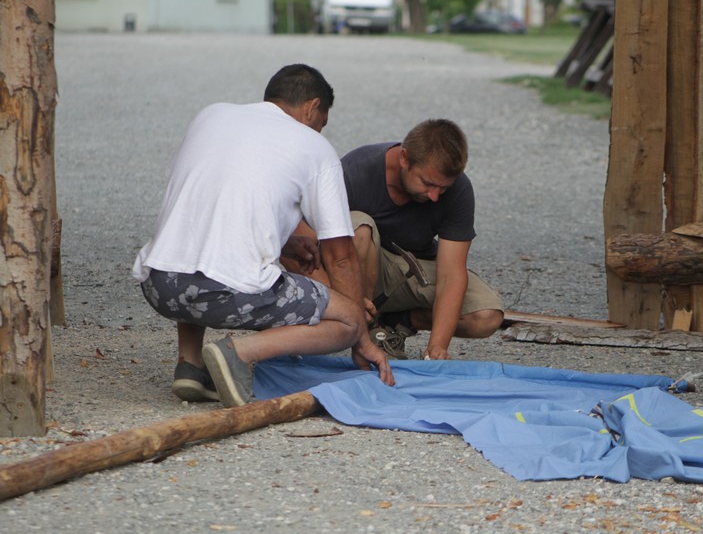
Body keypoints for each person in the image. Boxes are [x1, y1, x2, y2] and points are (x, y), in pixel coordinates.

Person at [132, 64, 394, 408]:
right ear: (312, 108)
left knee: (195, 244)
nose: (319, 131)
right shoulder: (314, 147)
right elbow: (340, 254)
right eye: (322, 123)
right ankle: (238, 354)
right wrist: (360, 334)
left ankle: (190, 364)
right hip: (224, 293)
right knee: (348, 320)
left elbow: (211, 204)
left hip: (159, 285)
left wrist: (283, 243)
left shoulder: (212, 116)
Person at [289, 119, 504, 360]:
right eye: (428, 184)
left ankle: (395, 321)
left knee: (486, 316)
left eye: (442, 189)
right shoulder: (356, 170)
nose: (435, 196)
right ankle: (363, 330)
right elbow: (302, 237)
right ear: (404, 159)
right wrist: (339, 300)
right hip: (349, 270)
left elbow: (451, 275)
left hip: (407, 271)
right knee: (359, 226)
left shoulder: (459, 190)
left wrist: (438, 347)